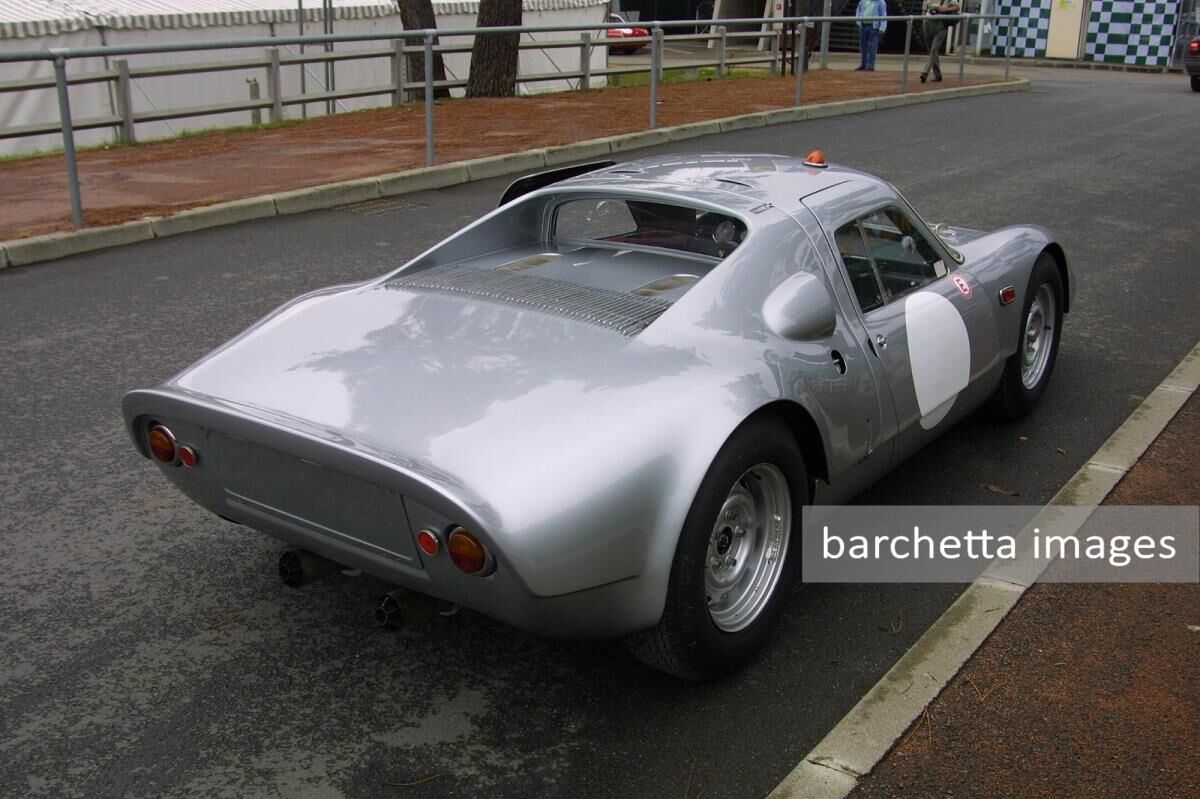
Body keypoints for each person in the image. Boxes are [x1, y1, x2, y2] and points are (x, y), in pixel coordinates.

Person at [920, 0, 960, 83]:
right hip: (928, 23)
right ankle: (938, 75)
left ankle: (925, 72)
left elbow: (957, 7)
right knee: (931, 51)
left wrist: (945, 9)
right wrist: (923, 20)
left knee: (934, 50)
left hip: (941, 24)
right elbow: (924, 10)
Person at [855, 0, 888, 72]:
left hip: (874, 26)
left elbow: (883, 15)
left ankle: (870, 65)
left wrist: (882, 28)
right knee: (863, 47)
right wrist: (858, 22)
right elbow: (858, 11)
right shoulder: (862, 1)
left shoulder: (881, 2)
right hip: (863, 25)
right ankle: (863, 64)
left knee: (872, 47)